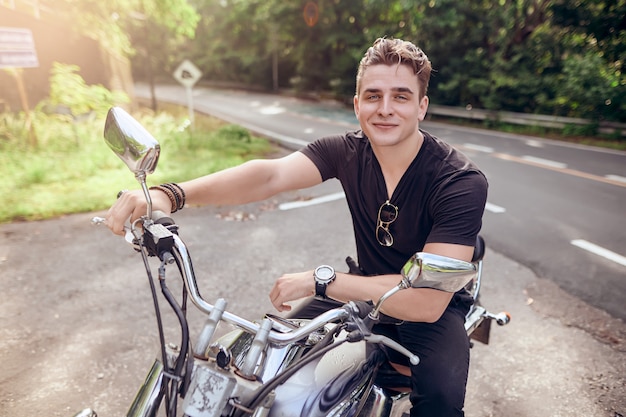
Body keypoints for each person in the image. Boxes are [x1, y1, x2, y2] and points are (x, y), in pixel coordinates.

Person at [106, 37, 487, 416]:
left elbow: (426, 300)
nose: (385, 109)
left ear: (422, 106)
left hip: (431, 312)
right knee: (266, 361)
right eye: (373, 96)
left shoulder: (459, 181)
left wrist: (322, 281)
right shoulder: (346, 151)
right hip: (362, 293)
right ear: (357, 105)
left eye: (401, 96)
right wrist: (170, 195)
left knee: (440, 400)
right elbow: (268, 175)